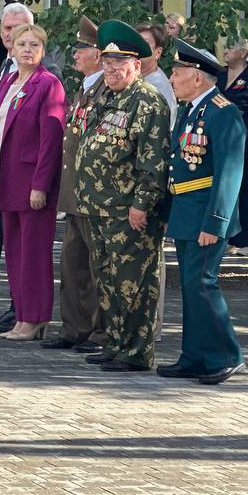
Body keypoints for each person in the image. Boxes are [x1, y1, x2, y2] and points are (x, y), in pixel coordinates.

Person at [74, 21, 170, 372]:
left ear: (137, 64)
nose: (111, 69)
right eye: (107, 62)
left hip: (128, 211)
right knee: (108, 280)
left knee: (134, 283)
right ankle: (115, 342)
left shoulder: (147, 102)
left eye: (119, 63)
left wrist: (141, 205)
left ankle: (136, 351)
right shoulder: (109, 97)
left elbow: (153, 162)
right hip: (100, 208)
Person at [157, 39, 246, 384]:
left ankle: (227, 354)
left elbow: (229, 171)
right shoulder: (192, 109)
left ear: (197, 77)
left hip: (206, 214)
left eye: (177, 72)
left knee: (204, 283)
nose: (172, 77)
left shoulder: (223, 111)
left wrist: (217, 221)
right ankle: (195, 355)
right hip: (186, 210)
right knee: (192, 286)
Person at [0, 22, 67, 341]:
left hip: (31, 183)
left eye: (34, 45)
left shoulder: (49, 85)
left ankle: (35, 318)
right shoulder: (7, 81)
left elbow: (51, 140)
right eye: (22, 44)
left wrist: (41, 185)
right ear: (12, 48)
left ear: (43, 51)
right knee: (15, 253)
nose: (28, 50)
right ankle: (21, 315)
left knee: (34, 254)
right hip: (6, 180)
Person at [42, 15, 107, 353]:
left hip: (93, 194)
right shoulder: (85, 88)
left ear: (98, 53)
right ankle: (74, 327)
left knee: (94, 268)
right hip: (75, 191)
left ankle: (97, 331)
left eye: (82, 48)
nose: (76, 54)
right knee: (72, 264)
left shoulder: (104, 89)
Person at [217, 40, 248, 256]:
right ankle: (229, 236)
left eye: (231, 47)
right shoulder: (219, 75)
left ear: (244, 51)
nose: (225, 51)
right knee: (226, 191)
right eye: (225, 47)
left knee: (246, 188)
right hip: (222, 142)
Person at [135, 22, 177, 116]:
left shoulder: (159, 87)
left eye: (145, 43)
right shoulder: (133, 78)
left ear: (158, 52)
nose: (139, 47)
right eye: (136, 42)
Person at [0, 3, 32, 82]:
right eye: (8, 28)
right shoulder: (5, 64)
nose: (12, 33)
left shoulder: (47, 69)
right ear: (1, 31)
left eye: (18, 28)